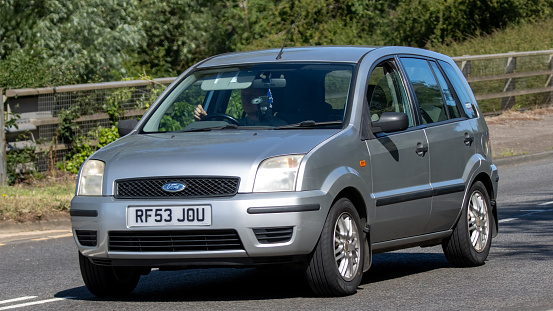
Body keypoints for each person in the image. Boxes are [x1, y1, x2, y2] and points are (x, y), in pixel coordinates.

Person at [193, 87, 286, 126]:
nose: (246, 99)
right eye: (243, 96)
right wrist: (205, 121)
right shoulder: (231, 125)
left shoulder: (280, 127)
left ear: (265, 98)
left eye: (252, 95)